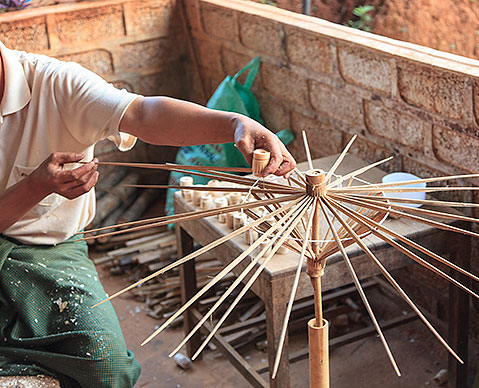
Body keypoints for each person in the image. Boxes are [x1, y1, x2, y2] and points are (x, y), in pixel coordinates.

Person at [0, 41, 296, 387]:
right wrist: (35, 185)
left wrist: (235, 124)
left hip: (49, 250)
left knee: (107, 370)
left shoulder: (54, 83)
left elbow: (142, 115)